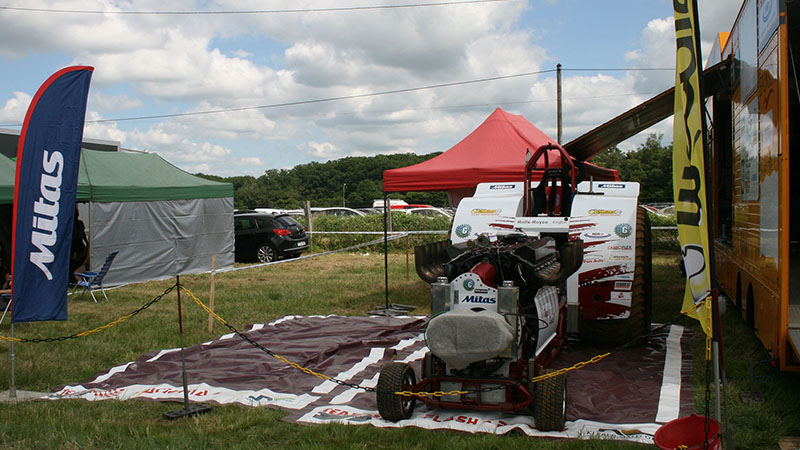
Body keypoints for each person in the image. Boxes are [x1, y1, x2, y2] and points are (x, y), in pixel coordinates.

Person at [71, 208, 90, 284]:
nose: (77, 214)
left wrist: (87, 243)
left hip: (79, 244)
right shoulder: (71, 224)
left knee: (81, 257)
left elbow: (83, 235)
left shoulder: (80, 223)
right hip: (73, 244)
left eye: (78, 213)